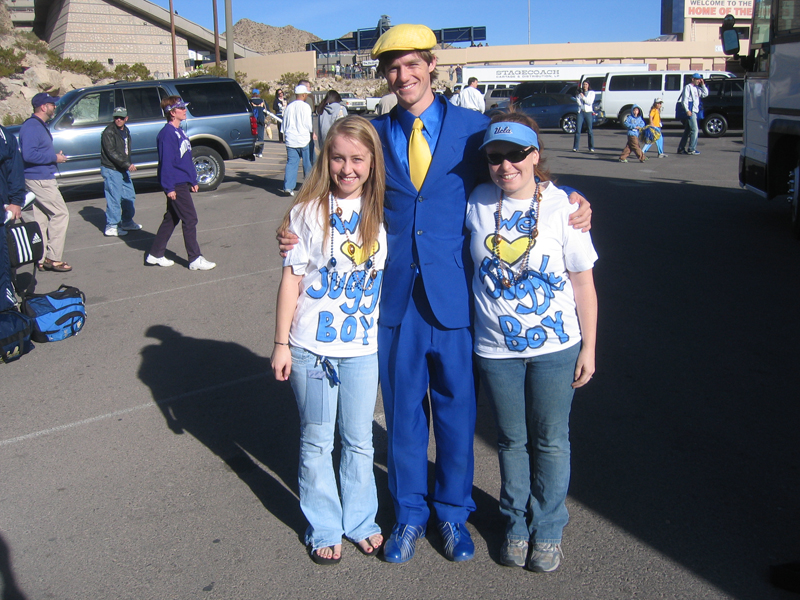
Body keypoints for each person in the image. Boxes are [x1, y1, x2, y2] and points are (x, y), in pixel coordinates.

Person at [278, 23, 591, 565]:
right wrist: (285, 229)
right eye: (393, 68)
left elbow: (515, 170)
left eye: (413, 65)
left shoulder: (474, 128)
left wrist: (571, 199)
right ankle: (409, 517)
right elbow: (333, 186)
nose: (404, 76)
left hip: (456, 300)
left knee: (455, 415)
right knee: (402, 418)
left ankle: (452, 514)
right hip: (394, 301)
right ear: (385, 75)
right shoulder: (373, 133)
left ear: (431, 67)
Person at [466, 112, 597, 573]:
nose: (506, 165)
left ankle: (548, 527)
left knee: (550, 440)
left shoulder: (564, 207)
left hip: (555, 348)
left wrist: (590, 348)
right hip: (496, 349)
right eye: (496, 157)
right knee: (511, 441)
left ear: (535, 155)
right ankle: (515, 524)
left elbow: (583, 284)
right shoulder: (477, 201)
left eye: (517, 154)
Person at [271, 116, 387, 565]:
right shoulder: (306, 212)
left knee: (359, 440)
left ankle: (361, 520)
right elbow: (291, 282)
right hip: (311, 351)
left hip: (362, 351)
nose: (347, 168)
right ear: (326, 159)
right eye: (338, 158)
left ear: (373, 162)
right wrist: (281, 343)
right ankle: (323, 523)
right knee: (317, 441)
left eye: (358, 159)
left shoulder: (385, 213)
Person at [145, 96, 216, 271]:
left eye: (184, 107)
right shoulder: (166, 134)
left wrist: (192, 179)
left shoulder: (179, 131)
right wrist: (169, 187)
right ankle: (195, 258)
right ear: (172, 112)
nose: (184, 110)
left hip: (182, 180)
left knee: (171, 218)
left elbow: (185, 158)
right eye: (181, 108)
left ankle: (155, 254)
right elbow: (167, 163)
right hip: (175, 183)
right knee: (190, 218)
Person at [19, 92, 71, 272]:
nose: (54, 107)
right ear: (43, 107)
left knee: (41, 218)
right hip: (40, 179)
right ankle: (53, 258)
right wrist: (54, 157)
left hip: (39, 177)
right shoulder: (32, 127)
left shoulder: (39, 125)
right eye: (52, 104)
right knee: (60, 214)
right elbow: (28, 154)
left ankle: (40, 258)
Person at [100, 107, 142, 237]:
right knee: (114, 197)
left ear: (126, 119)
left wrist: (126, 164)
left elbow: (125, 151)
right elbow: (111, 153)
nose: (118, 120)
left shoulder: (126, 131)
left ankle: (127, 221)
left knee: (129, 196)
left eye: (121, 118)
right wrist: (127, 164)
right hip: (112, 169)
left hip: (122, 168)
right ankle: (111, 226)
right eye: (116, 117)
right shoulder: (109, 132)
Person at [1, 124, 25, 309]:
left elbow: (14, 168)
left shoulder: (4, 136)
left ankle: (6, 313)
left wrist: (16, 200)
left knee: (2, 271)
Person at [281, 84, 316, 197]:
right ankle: (308, 186)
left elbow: (284, 124)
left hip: (291, 139)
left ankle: (288, 187)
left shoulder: (289, 107)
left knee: (291, 163)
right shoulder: (306, 107)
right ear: (304, 95)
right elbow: (308, 124)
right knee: (307, 164)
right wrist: (312, 132)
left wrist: (285, 134)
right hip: (304, 138)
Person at [677, 73, 708, 155]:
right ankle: (691, 149)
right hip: (690, 111)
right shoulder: (688, 87)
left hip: (695, 111)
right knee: (695, 130)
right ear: (693, 79)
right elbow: (685, 100)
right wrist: (687, 110)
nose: (699, 81)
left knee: (687, 130)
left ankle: (681, 148)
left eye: (699, 79)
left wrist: (703, 85)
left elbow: (705, 94)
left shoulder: (697, 88)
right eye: (697, 79)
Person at [572, 80, 595, 152]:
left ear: (588, 85)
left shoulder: (592, 93)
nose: (585, 86)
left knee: (590, 130)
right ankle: (575, 147)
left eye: (586, 84)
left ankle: (591, 147)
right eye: (584, 84)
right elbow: (579, 102)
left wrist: (583, 97)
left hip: (588, 112)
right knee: (578, 130)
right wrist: (580, 96)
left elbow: (589, 102)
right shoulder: (580, 93)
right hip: (580, 112)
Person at [250, 89, 267, 158]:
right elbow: (267, 111)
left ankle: (253, 151)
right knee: (260, 137)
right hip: (261, 121)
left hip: (252, 121)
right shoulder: (262, 101)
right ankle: (260, 152)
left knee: (253, 137)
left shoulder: (250, 102)